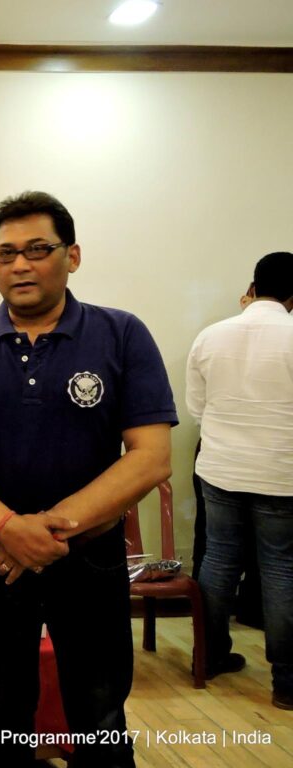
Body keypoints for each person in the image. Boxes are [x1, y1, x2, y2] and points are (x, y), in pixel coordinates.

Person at [0, 191, 176, 767]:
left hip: (90, 559)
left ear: (72, 256)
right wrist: (8, 527)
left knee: (100, 713)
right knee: (2, 711)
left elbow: (151, 457)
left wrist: (47, 532)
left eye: (38, 250)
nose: (20, 264)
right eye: (6, 253)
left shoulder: (121, 334)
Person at [186, 251, 293, 709]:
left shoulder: (211, 335)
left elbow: (196, 408)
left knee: (218, 558)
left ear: (253, 286)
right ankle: (286, 681)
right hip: (282, 472)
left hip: (221, 467)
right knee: (281, 567)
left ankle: (208, 656)